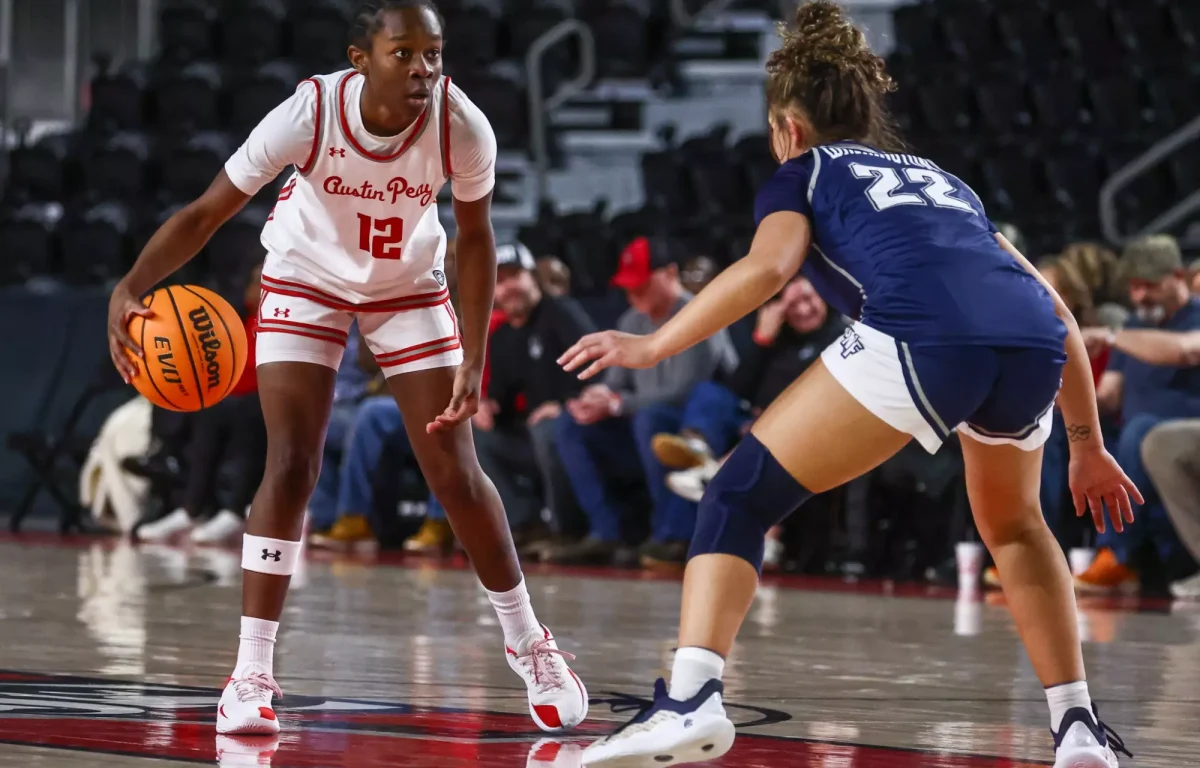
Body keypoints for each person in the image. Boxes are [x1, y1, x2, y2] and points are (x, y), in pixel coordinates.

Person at [561, 4, 1137, 767]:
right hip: (1031, 342)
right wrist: (1087, 445)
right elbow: (1060, 312)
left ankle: (692, 696)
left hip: (926, 335)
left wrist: (653, 343)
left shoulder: (801, 173)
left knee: (737, 494)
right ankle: (1078, 729)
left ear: (788, 129)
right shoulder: (945, 180)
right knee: (1018, 528)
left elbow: (767, 269)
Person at [105, 0, 586, 737]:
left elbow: (478, 240)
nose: (425, 68)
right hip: (305, 277)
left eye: (435, 53)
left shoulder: (463, 124)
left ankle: (531, 644)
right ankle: (252, 672)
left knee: (456, 473)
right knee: (292, 465)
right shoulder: (309, 113)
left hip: (409, 287)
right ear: (361, 58)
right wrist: (131, 285)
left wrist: (476, 354)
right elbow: (208, 212)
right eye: (405, 53)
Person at [550, 236, 738, 569]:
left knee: (651, 420)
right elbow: (615, 384)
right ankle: (605, 532)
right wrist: (596, 398)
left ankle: (673, 536)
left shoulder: (698, 314)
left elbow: (684, 389)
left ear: (669, 273)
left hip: (695, 427)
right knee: (571, 425)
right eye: (627, 285)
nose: (632, 293)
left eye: (641, 284)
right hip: (642, 427)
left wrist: (619, 403)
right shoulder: (630, 321)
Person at [1073, 235, 1200, 594]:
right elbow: (1108, 397)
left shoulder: (1193, 316)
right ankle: (1035, 549)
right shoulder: (1131, 326)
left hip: (1181, 431)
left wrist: (1111, 337)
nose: (1140, 297)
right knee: (1055, 434)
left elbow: (1184, 351)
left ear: (1177, 276)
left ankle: (1115, 553)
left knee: (1141, 429)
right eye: (1134, 287)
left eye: (1149, 286)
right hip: (1130, 437)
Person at [136, 263, 266, 545]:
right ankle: (191, 509)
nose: (253, 291)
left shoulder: (278, 324)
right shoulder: (240, 322)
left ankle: (234, 511)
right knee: (207, 411)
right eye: (252, 284)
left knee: (247, 415)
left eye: (261, 284)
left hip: (263, 401)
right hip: (231, 397)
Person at [478, 242, 595, 552]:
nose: (508, 288)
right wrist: (486, 406)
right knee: (469, 431)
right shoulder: (502, 336)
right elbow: (501, 394)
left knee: (549, 430)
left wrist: (561, 405)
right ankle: (524, 522)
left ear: (532, 276)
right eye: (499, 282)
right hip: (530, 435)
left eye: (514, 276)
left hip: (575, 424)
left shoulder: (561, 313)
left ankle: (567, 530)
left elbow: (596, 367)